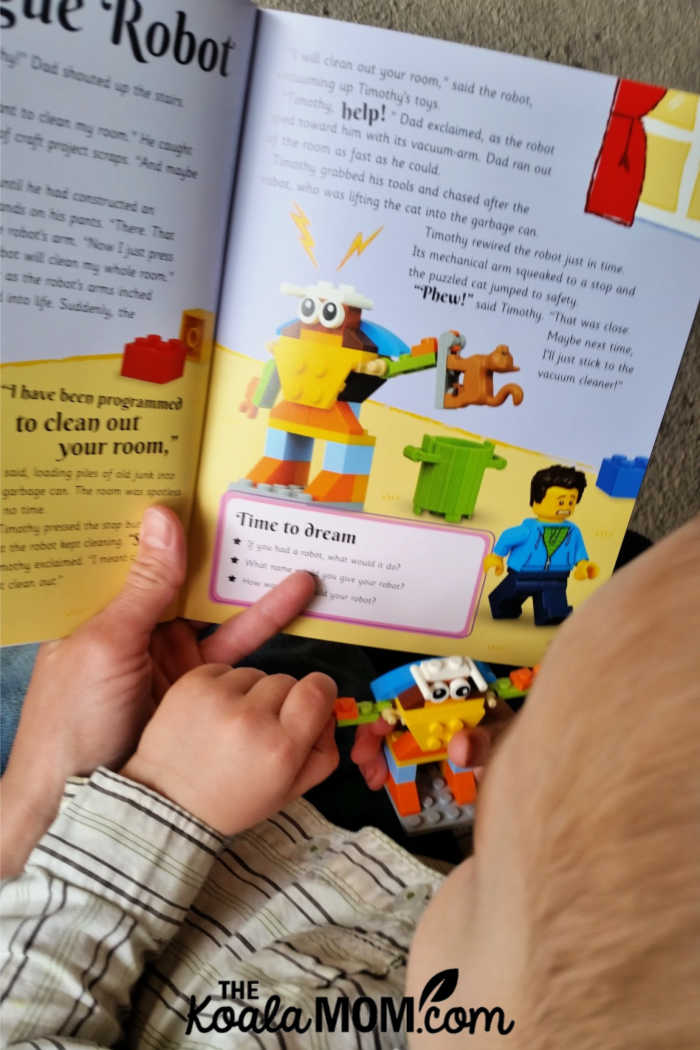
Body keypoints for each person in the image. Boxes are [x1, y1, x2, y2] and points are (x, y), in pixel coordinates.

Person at [1, 507, 698, 1048]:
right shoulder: (529, 994)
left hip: (94, 868)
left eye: (495, 868)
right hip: (349, 845)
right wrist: (487, 787)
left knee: (45, 635)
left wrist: (124, 793)